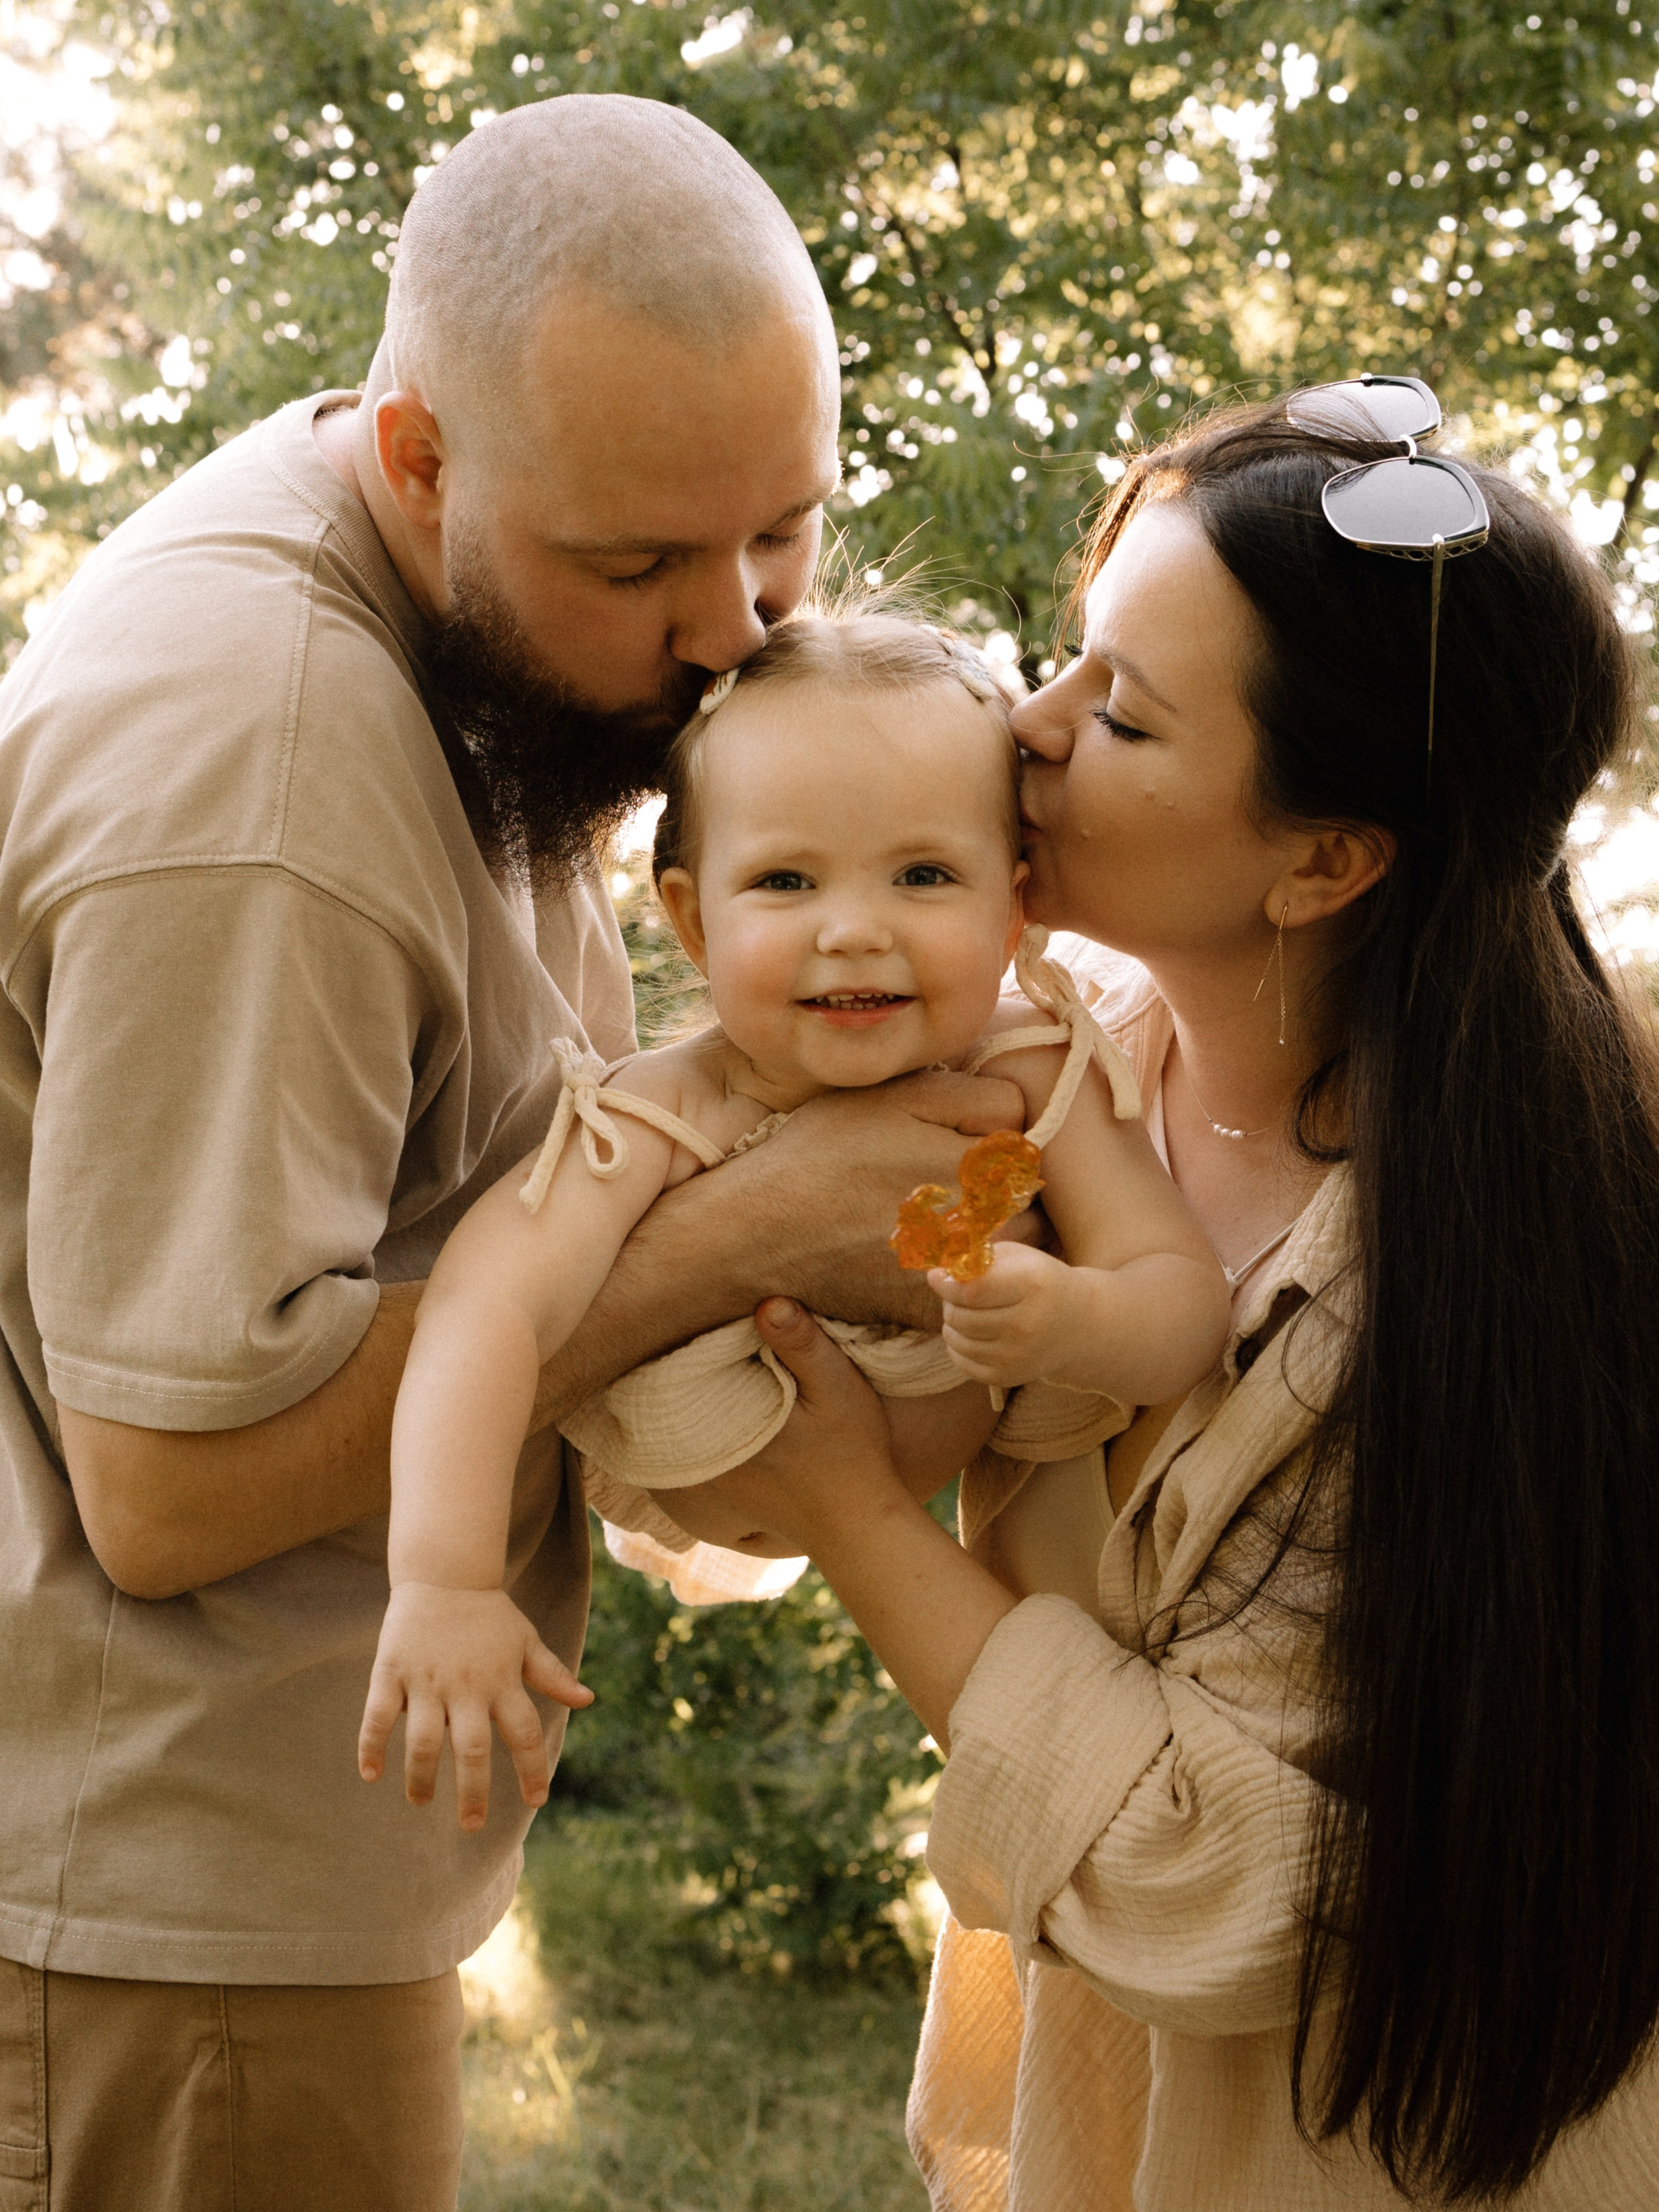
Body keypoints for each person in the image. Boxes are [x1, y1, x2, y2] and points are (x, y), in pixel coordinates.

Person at [0, 96, 1019, 2210]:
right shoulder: (266, 778)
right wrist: (713, 1241)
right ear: (416, 459)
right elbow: (165, 1481)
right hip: (171, 1916)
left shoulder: (487, 624)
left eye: (786, 531)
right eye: (641, 561)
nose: (735, 626)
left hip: (259, 1868)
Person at [681, 397, 1659, 2206]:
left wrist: (846, 1506)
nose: (1027, 726)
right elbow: (708, 1473)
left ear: (1326, 858)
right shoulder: (1062, 1091)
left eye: (1120, 711)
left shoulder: (1475, 1264)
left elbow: (1202, 1865)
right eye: (1067, 657)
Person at [356, 609, 1231, 1828]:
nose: (854, 926)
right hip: (694, 1457)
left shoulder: (1038, 1074)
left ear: (1014, 906)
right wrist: (444, 1578)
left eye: (924, 874)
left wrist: (1074, 1317)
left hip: (948, 1536)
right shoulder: (668, 1110)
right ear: (695, 919)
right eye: (786, 879)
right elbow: (484, 1307)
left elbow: (1182, 1301)